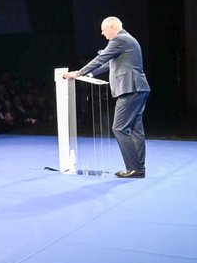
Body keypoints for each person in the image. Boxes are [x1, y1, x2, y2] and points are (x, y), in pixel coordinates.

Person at [62, 16, 150, 178]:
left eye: (103, 30)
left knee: (119, 128)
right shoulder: (127, 39)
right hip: (138, 88)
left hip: (130, 88)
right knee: (135, 130)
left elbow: (100, 58)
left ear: (111, 27)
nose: (102, 34)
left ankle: (135, 168)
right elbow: (108, 64)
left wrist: (78, 73)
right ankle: (139, 168)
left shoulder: (119, 39)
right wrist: (88, 74)